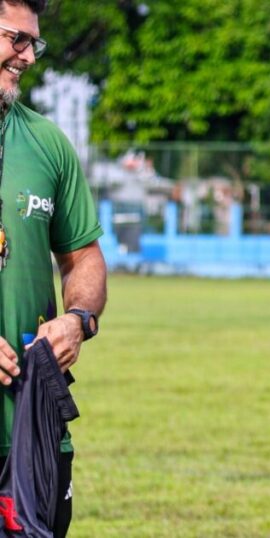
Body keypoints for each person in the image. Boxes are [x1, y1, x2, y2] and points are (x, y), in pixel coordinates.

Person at [0, 1, 107, 536]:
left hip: (30, 428)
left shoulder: (47, 143)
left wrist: (79, 317)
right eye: (16, 39)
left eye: (33, 44)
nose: (27, 57)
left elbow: (83, 256)